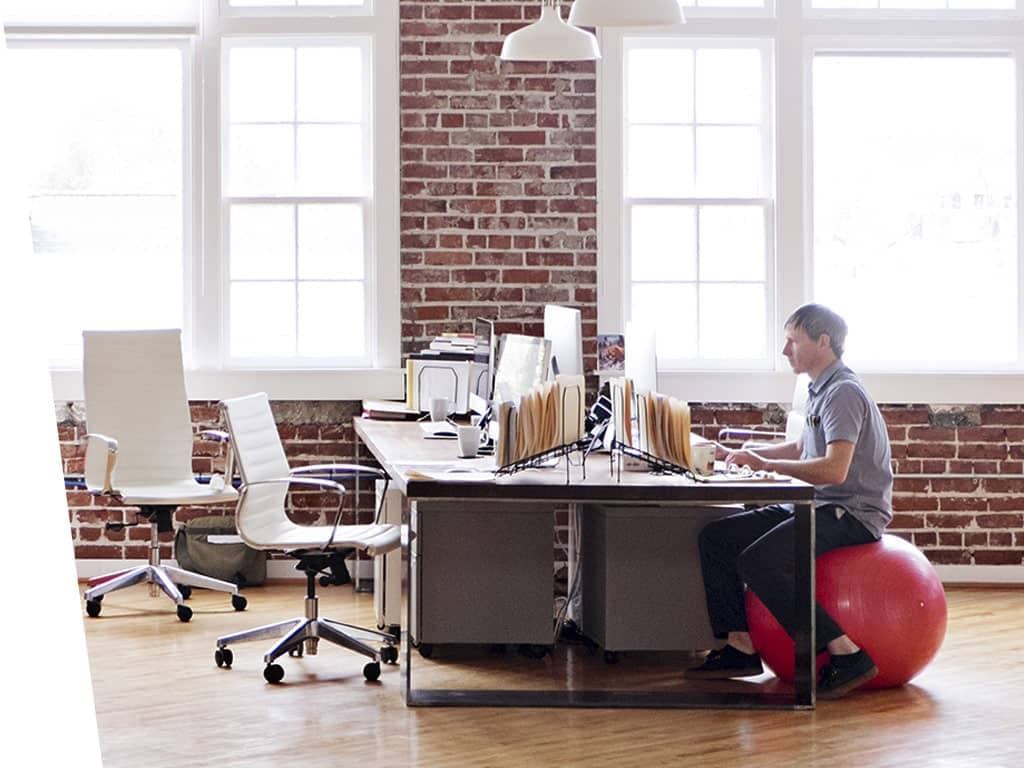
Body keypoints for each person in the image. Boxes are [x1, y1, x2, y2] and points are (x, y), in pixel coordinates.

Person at [684, 303, 893, 699]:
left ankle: (847, 653)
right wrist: (753, 454)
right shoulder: (819, 386)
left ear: (823, 342)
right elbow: (801, 446)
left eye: (793, 341)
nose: (785, 351)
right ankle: (740, 647)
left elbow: (834, 470)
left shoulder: (843, 393)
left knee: (760, 561)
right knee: (718, 537)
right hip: (822, 502)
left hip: (852, 512)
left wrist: (767, 465)